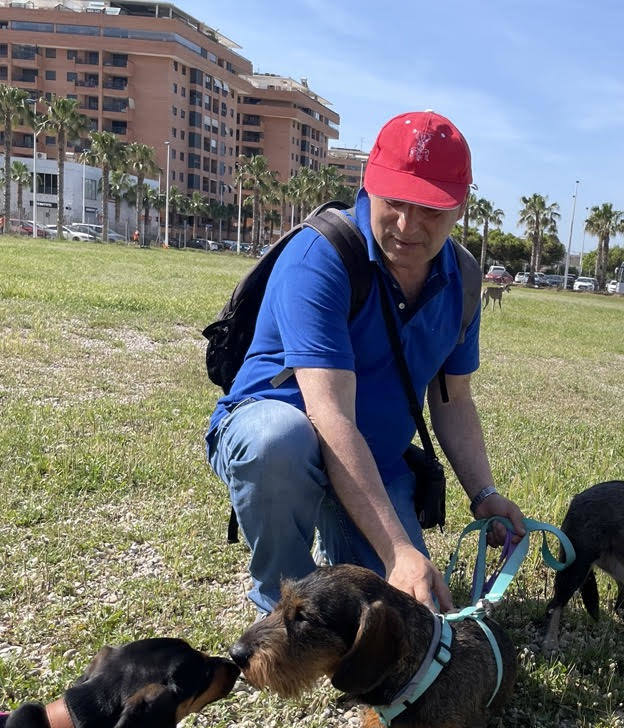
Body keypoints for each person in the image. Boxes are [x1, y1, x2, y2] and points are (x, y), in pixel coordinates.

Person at [207, 110, 525, 618]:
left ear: (460, 207)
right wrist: (399, 550)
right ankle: (283, 604)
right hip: (285, 432)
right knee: (278, 441)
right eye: (394, 202)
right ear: (367, 185)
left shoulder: (462, 279)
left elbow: (454, 400)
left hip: (374, 458)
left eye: (430, 210)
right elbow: (329, 416)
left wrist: (483, 492)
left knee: (403, 616)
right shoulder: (321, 255)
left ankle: (345, 573)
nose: (407, 226)